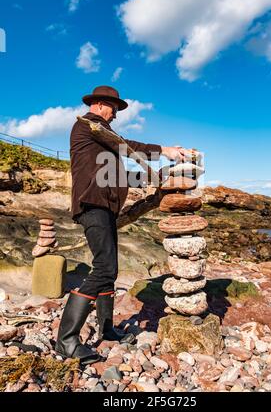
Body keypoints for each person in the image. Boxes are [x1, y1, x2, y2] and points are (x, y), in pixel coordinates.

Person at [55, 85, 191, 365]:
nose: (116, 115)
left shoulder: (101, 140)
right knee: (104, 267)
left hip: (103, 208)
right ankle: (66, 340)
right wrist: (165, 150)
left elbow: (119, 175)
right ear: (101, 104)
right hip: (92, 206)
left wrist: (159, 177)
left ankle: (107, 330)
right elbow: (128, 147)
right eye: (115, 109)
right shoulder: (88, 125)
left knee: (109, 271)